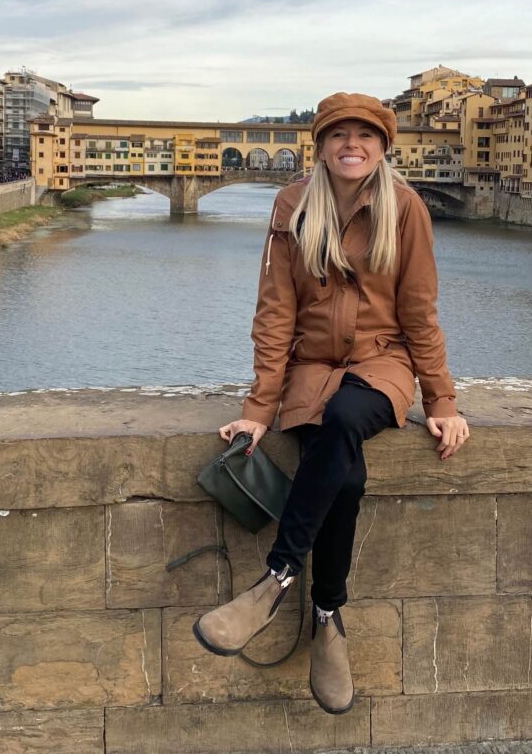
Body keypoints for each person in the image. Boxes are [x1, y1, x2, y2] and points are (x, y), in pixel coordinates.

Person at [192, 92, 469, 715]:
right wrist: (259, 409)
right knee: (341, 473)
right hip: (310, 368)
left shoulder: (407, 209)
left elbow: (420, 311)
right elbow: (276, 311)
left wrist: (441, 400)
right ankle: (326, 617)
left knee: (344, 418)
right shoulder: (291, 204)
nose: (353, 144)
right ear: (318, 146)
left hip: (383, 362)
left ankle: (276, 579)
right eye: (339, 134)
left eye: (366, 136)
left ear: (382, 147)